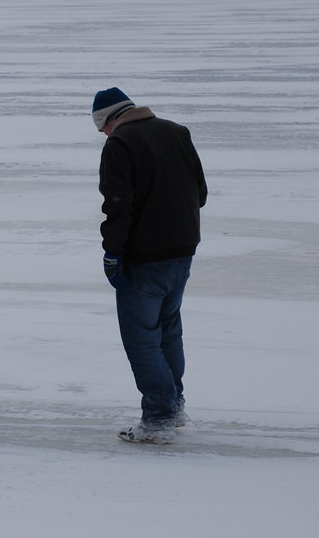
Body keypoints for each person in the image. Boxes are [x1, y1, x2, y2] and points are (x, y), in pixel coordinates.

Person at [92, 88, 207, 444]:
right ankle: (174, 406)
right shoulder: (177, 132)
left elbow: (117, 204)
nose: (104, 135)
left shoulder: (121, 143)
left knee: (142, 339)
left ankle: (158, 417)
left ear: (110, 119)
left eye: (101, 127)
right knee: (168, 329)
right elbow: (201, 193)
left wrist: (113, 253)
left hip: (144, 256)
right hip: (183, 248)